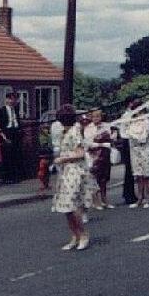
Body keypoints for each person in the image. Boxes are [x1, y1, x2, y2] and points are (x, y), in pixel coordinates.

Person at [51, 105, 89, 251]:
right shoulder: (64, 132)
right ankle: (75, 236)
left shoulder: (75, 132)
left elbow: (80, 153)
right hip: (65, 171)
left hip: (75, 170)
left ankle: (83, 234)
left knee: (72, 204)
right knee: (66, 206)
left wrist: (63, 158)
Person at [127, 106, 149, 208]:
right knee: (138, 175)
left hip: (146, 150)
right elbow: (128, 134)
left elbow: (144, 137)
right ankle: (139, 198)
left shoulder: (147, 122)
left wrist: (136, 137)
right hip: (135, 151)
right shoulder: (132, 123)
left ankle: (148, 199)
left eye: (140, 111)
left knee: (147, 175)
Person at [87, 109, 114, 209]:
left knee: (104, 178)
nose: (96, 118)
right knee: (95, 179)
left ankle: (104, 199)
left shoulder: (106, 126)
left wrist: (111, 136)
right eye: (94, 116)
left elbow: (111, 137)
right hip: (95, 155)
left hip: (105, 154)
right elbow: (88, 142)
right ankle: (96, 201)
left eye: (98, 116)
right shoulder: (89, 128)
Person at [0, 92, 23, 182]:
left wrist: (19, 129)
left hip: (15, 132)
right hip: (7, 132)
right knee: (7, 155)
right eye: (11, 99)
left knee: (16, 155)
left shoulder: (16, 109)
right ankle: (7, 176)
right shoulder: (1, 110)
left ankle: (16, 176)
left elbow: (17, 120)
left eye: (14, 99)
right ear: (6, 99)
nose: (13, 101)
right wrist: (3, 136)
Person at [117, 98, 139, 205]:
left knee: (132, 169)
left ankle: (130, 193)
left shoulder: (133, 115)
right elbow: (125, 131)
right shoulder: (127, 116)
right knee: (129, 169)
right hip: (127, 142)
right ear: (130, 104)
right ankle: (128, 194)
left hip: (131, 141)